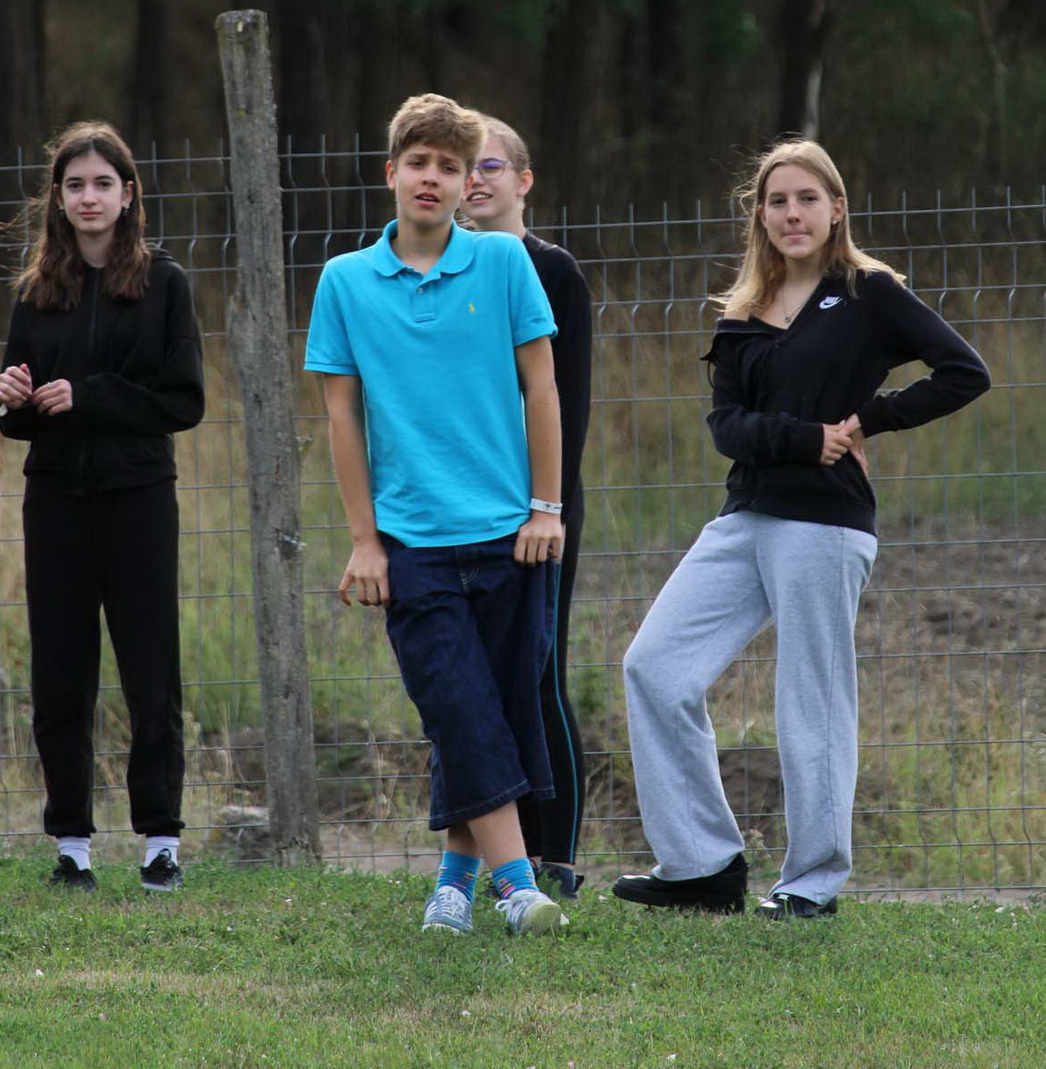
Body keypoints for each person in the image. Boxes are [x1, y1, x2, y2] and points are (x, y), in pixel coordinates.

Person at [614, 139, 990, 920]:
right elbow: (726, 426)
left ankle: (811, 883)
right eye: (778, 201)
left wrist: (870, 421)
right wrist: (801, 437)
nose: (793, 214)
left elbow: (965, 372)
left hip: (824, 523)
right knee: (654, 667)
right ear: (760, 215)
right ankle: (703, 866)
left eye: (807, 199)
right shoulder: (741, 313)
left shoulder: (869, 293)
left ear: (836, 209)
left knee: (810, 701)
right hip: (745, 516)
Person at [305, 93, 568, 937]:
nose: (432, 178)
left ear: (466, 184)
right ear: (391, 173)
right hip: (410, 543)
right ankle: (517, 887)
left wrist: (546, 509)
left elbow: (543, 387)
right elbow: (342, 417)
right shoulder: (344, 281)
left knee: (493, 715)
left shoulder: (505, 263)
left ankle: (453, 886)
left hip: (510, 537)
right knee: (456, 705)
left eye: (450, 167)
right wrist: (364, 541)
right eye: (418, 163)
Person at [0, 121, 204, 894]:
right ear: (58, 198)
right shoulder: (35, 294)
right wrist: (10, 402)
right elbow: (18, 416)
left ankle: (160, 843)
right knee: (60, 674)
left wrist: (89, 396)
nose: (89, 197)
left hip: (138, 498)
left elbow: (183, 401)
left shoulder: (164, 284)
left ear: (128, 195)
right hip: (54, 498)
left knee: (151, 672)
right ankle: (72, 848)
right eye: (75, 184)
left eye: (103, 184)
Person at [460, 117, 591, 902]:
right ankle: (497, 859)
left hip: (539, 509)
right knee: (474, 687)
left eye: (490, 166)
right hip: (460, 512)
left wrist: (547, 508)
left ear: (523, 181)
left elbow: (564, 403)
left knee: (539, 677)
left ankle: (558, 856)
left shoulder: (553, 272)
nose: (475, 180)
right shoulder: (443, 269)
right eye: (463, 167)